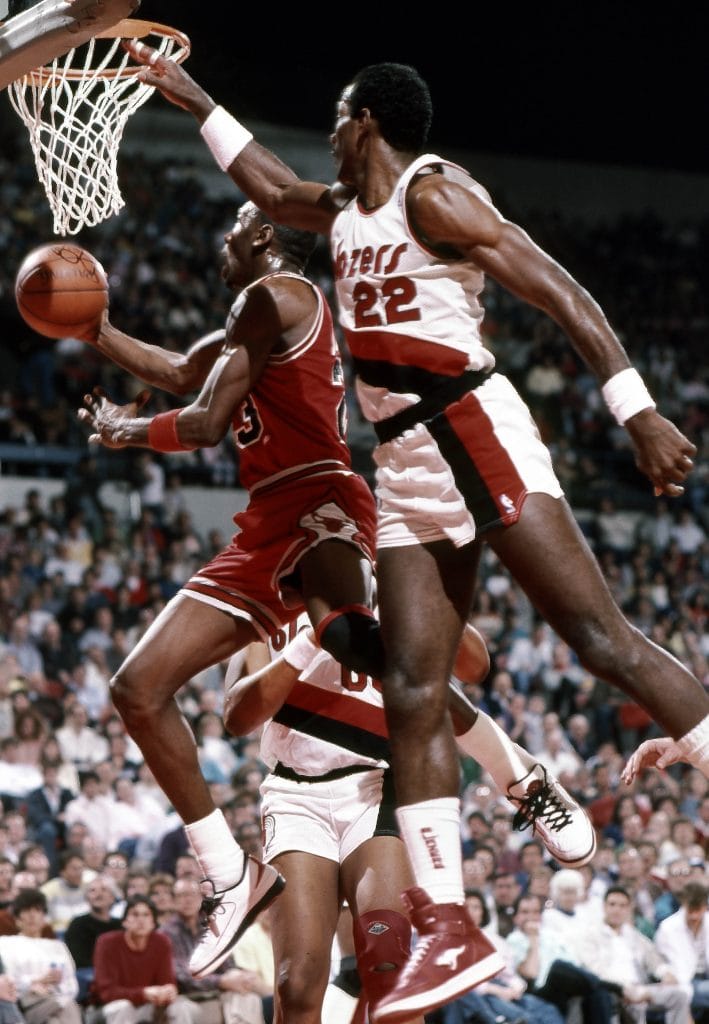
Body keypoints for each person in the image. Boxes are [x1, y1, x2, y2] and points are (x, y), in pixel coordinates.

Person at [123, 48, 709, 1021]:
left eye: (338, 117)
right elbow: (268, 183)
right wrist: (191, 97)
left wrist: (635, 408)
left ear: (364, 124)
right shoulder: (341, 216)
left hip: (468, 424)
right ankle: (441, 915)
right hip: (399, 459)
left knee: (599, 642)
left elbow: (557, 287)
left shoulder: (433, 196)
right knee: (409, 685)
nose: (329, 130)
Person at [77, 200, 381, 980]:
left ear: (264, 239)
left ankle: (508, 764)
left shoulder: (276, 297)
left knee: (362, 644)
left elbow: (207, 419)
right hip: (269, 518)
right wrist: (97, 332)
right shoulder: (253, 321)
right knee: (138, 688)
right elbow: (183, 374)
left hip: (318, 501)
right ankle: (227, 872)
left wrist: (128, 432)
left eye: (233, 228)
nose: (220, 242)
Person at [222, 615, 593, 1023]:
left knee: (389, 966)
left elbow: (474, 666)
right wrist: (311, 638)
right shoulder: (272, 586)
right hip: (295, 792)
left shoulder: (387, 569)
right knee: (297, 984)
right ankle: (514, 766)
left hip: (378, 781)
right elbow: (238, 717)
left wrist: (410, 593)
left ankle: (517, 771)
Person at [576, 885, 691, 1024]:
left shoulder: (633, 935)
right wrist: (623, 987)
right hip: (614, 990)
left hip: (642, 988)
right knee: (635, 1004)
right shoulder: (591, 935)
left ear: (629, 909)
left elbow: (653, 958)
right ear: (604, 907)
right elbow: (594, 969)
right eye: (612, 904)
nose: (616, 910)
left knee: (679, 995)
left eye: (622, 905)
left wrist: (665, 973)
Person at [92, 895, 194, 1024]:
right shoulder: (107, 943)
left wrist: (168, 991)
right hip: (110, 1008)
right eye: (135, 915)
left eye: (146, 915)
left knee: (181, 1007)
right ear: (124, 921)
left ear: (153, 922)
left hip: (148, 1005)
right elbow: (107, 993)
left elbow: (167, 982)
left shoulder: (161, 942)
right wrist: (143, 993)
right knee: (123, 1008)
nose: (141, 920)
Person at [0, 888, 82, 1024]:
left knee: (57, 1017)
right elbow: (8, 981)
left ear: (44, 917)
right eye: (26, 911)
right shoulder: (6, 944)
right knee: (65, 1006)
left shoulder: (58, 946)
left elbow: (72, 984)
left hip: (59, 1001)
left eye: (37, 911)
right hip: (28, 1004)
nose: (32, 916)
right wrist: (36, 981)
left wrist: (55, 987)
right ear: (17, 918)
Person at [653, 881, 709, 1022]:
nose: (694, 916)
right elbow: (657, 959)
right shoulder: (668, 927)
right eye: (691, 910)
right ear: (683, 904)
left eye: (699, 910)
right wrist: (666, 973)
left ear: (705, 906)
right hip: (683, 981)